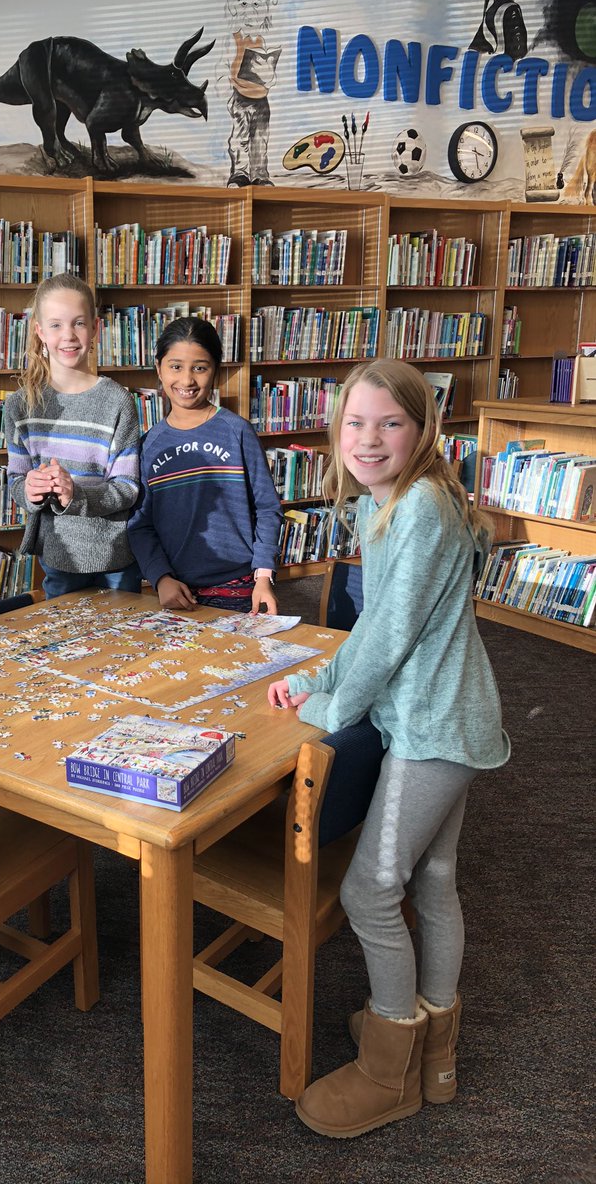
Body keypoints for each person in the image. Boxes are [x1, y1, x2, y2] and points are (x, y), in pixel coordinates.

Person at [266, 359, 510, 1138]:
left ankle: (388, 1069)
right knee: (433, 882)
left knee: (371, 892)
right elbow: (371, 628)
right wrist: (322, 683)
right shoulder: (398, 500)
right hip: (452, 716)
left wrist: (330, 708)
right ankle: (432, 1056)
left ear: (423, 429)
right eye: (355, 424)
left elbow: (394, 636)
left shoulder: (420, 509)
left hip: (434, 728)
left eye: (390, 423)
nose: (368, 440)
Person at [127, 316, 281, 614]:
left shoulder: (237, 431)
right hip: (177, 591)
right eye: (175, 367)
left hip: (241, 586)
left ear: (216, 372)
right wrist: (160, 579)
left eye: (199, 367)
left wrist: (264, 576)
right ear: (158, 368)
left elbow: (267, 508)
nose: (186, 380)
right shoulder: (149, 445)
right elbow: (140, 525)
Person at [4, 273, 141, 599]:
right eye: (55, 325)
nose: (68, 335)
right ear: (39, 331)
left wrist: (75, 495)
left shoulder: (117, 401)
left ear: (95, 327)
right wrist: (31, 491)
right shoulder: (20, 406)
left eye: (78, 323)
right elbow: (16, 481)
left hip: (115, 558)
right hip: (59, 556)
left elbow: (128, 488)